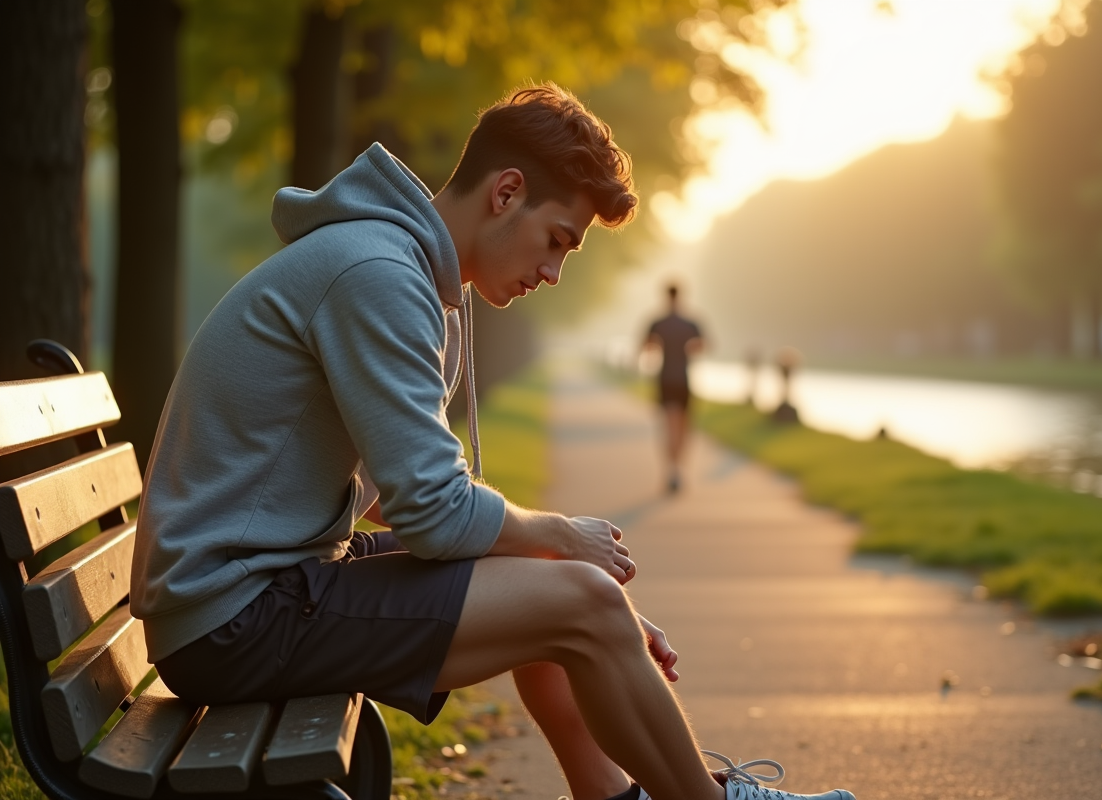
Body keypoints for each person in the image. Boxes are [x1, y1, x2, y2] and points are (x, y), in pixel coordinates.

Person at [130, 83, 854, 800]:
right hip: (233, 619)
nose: (552, 272)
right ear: (506, 194)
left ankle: (614, 795)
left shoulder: (399, 270)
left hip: (250, 593)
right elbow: (432, 514)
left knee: (562, 578)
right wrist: (571, 548)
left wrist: (581, 582)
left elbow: (387, 498)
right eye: (556, 241)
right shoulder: (379, 276)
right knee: (574, 588)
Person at [644, 285, 704, 493]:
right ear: (680, 297)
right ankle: (677, 470)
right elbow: (702, 346)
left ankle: (672, 470)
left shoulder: (658, 323)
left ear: (666, 296)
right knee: (682, 427)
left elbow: (646, 347)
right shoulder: (690, 323)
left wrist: (660, 346)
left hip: (666, 379)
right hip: (682, 379)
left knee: (671, 425)